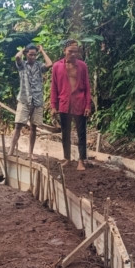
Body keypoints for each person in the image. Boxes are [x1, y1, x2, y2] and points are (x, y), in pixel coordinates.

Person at [50, 39, 91, 171]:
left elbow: (87, 87)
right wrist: (53, 106)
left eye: (76, 51)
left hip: (79, 103)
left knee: (81, 134)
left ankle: (81, 160)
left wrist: (88, 106)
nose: (73, 54)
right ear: (64, 51)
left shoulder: (82, 66)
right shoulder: (57, 66)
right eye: (70, 51)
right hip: (64, 103)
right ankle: (67, 158)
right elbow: (54, 87)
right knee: (65, 133)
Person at [10, 44, 53, 157]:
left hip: (37, 100)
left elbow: (49, 64)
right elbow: (17, 57)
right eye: (30, 54)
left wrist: (42, 51)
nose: (33, 57)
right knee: (18, 126)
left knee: (34, 127)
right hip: (24, 100)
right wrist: (23, 49)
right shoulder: (22, 65)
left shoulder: (39, 66)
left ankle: (30, 153)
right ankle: (11, 151)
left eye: (34, 55)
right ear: (26, 54)